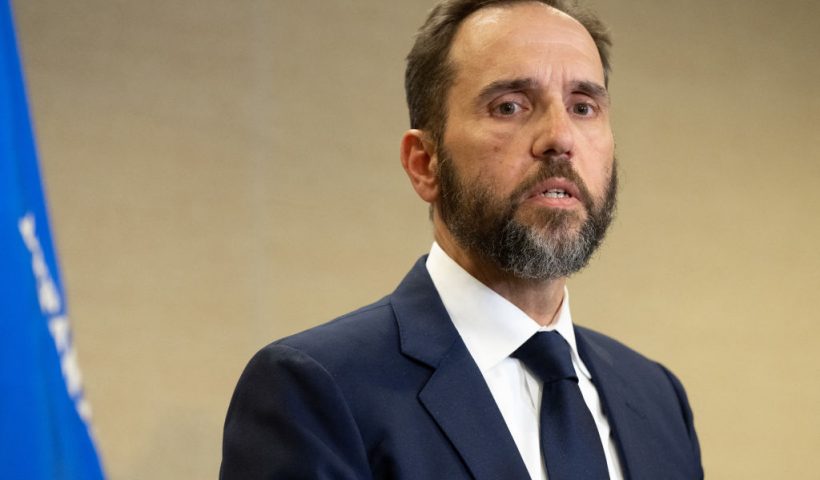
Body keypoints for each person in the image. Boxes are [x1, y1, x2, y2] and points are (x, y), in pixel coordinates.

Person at [220, 0, 704, 478]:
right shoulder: (316, 390)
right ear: (424, 163)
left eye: (583, 106)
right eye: (509, 105)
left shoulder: (657, 398)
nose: (560, 136)